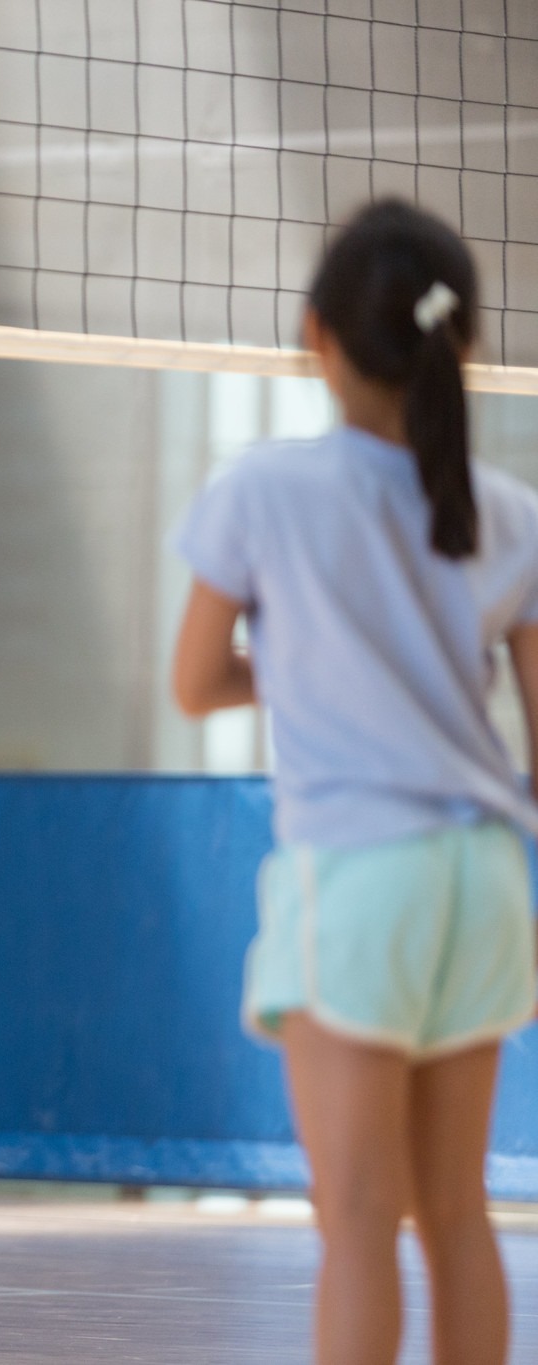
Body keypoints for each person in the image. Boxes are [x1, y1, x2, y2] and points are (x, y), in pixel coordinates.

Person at [172, 199, 538, 1365]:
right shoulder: (514, 516)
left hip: (361, 874)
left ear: (313, 333)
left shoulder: (262, 488)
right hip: (484, 879)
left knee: (357, 1224)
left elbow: (193, 683)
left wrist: (306, 665)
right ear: (461, 344)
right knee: (458, 1217)